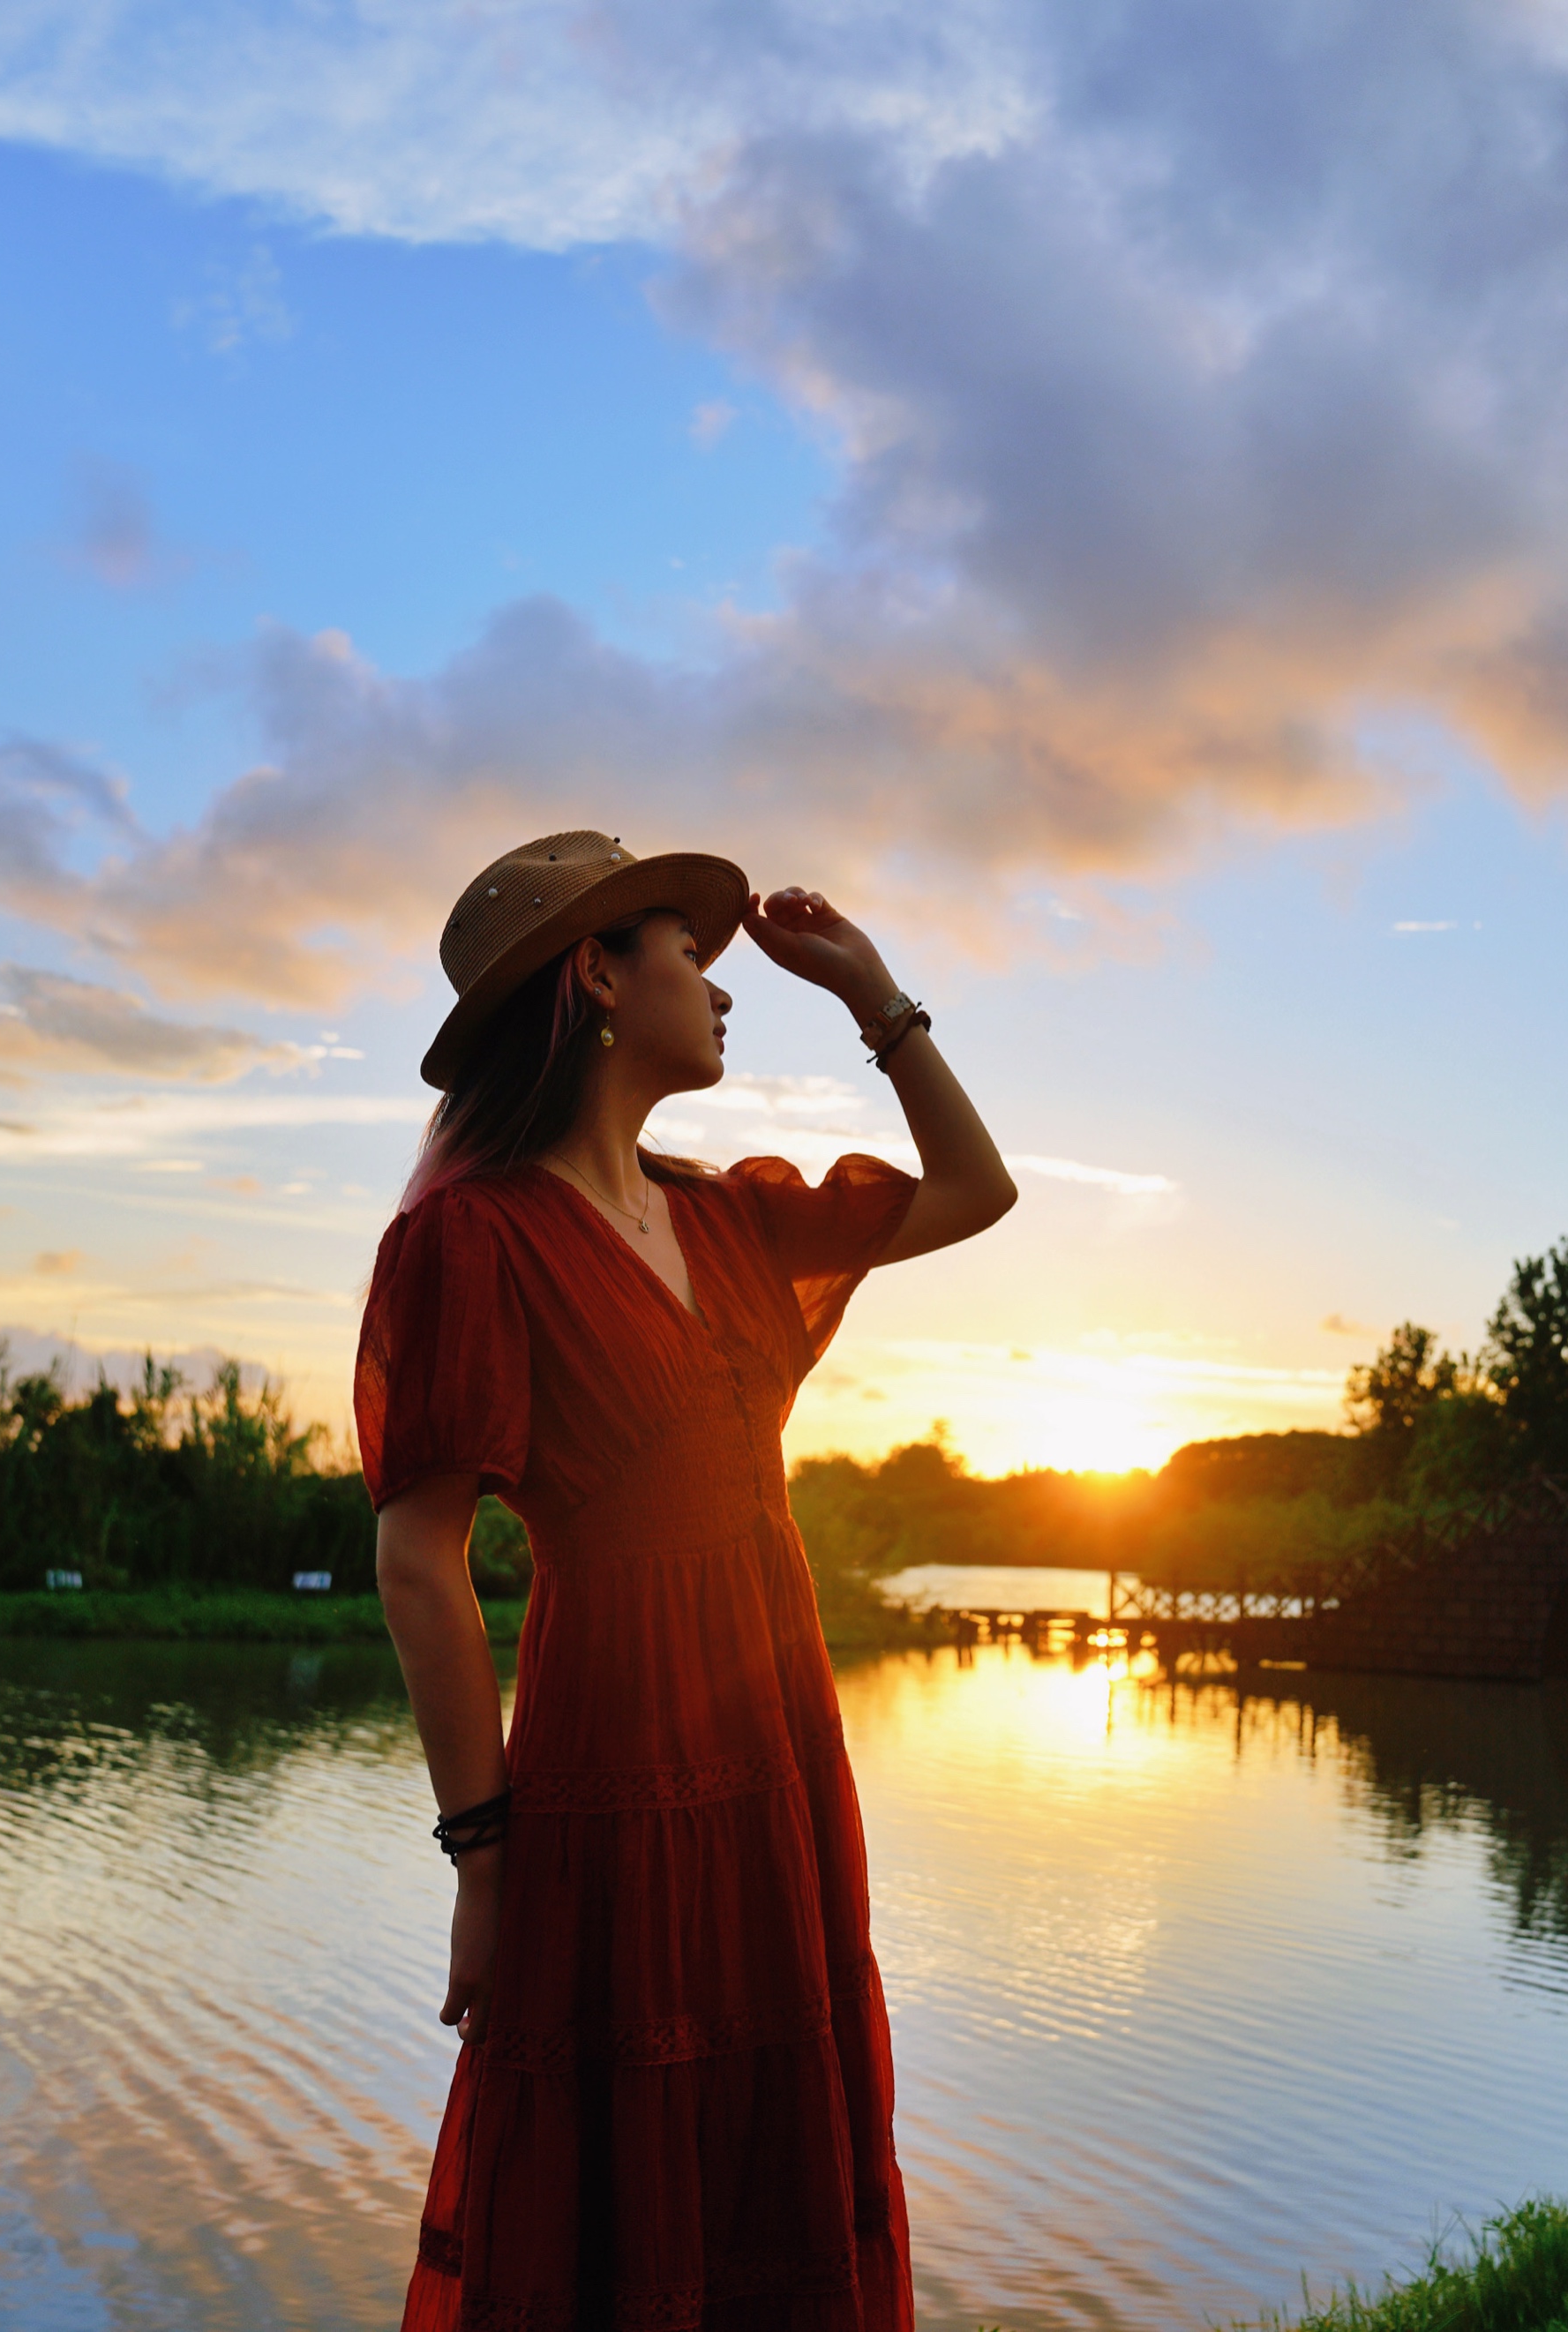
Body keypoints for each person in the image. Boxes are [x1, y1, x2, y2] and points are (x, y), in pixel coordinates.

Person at [360, 829, 1016, 2332]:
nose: (725, 992)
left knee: (773, 2117)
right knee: (615, 2145)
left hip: (774, 1737)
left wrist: (879, 998)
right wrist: (482, 1853)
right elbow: (417, 1560)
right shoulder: (469, 1237)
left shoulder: (727, 1216)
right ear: (595, 976)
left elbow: (975, 1191)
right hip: (612, 1746)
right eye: (690, 957)